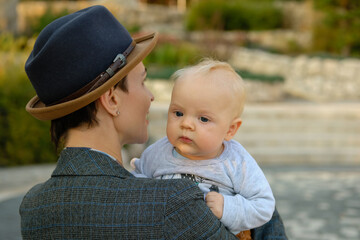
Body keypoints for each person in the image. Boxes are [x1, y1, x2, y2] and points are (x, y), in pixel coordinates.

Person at [19, 5, 287, 240]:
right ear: (111, 100)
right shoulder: (174, 201)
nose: (151, 97)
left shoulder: (33, 208)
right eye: (143, 81)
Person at [132, 59, 275, 239]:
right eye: (178, 113)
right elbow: (135, 186)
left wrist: (228, 208)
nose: (186, 124)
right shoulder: (156, 153)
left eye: (203, 119)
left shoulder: (236, 161)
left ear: (230, 129)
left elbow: (263, 206)